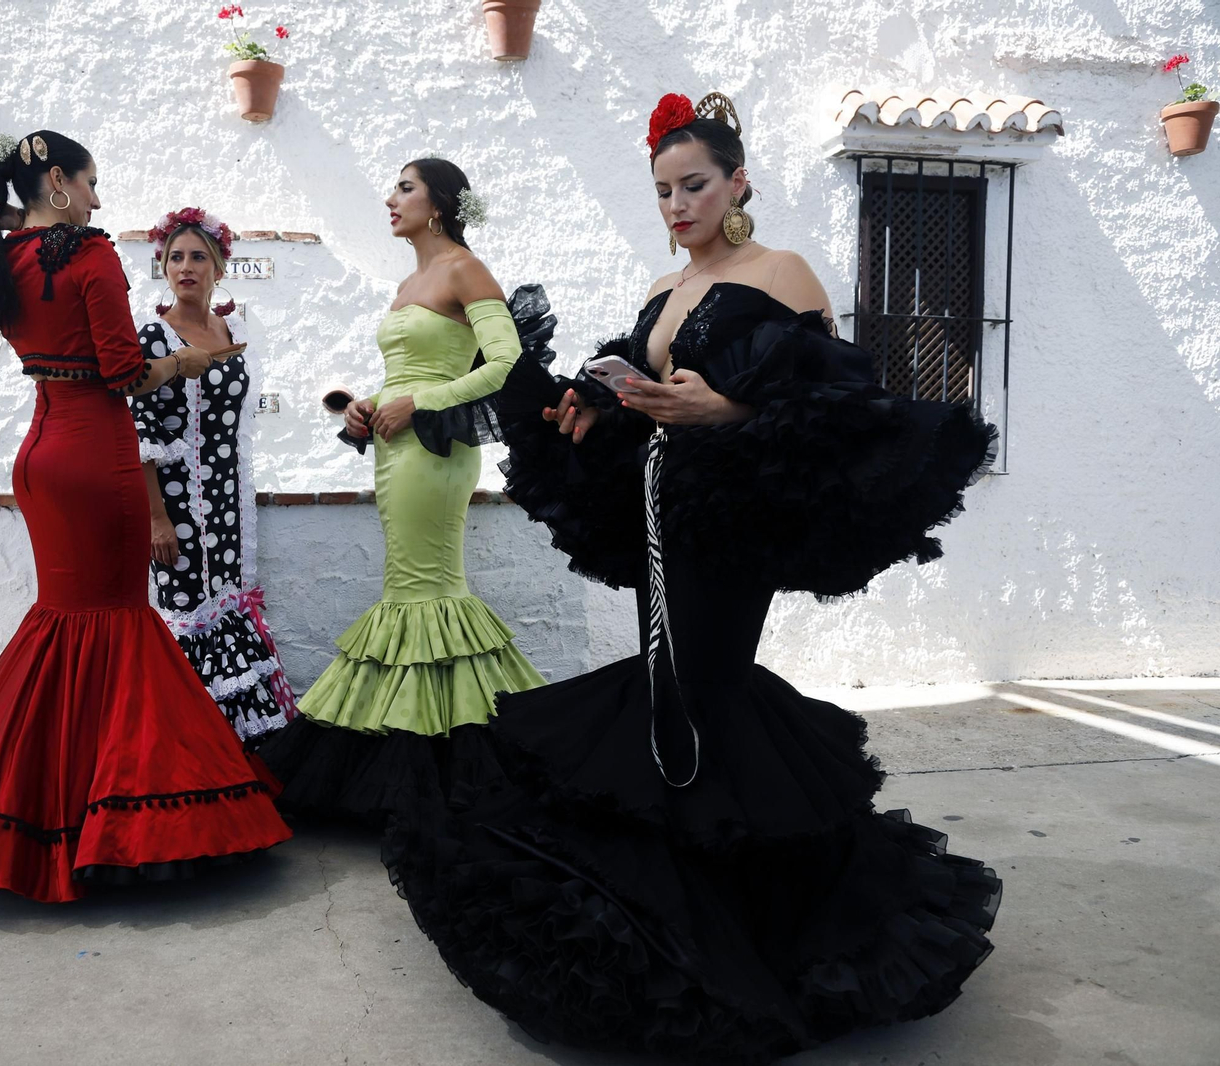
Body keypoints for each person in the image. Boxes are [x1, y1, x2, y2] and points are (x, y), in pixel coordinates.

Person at [381, 95, 1001, 1060]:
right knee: (673, 693)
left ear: (738, 181)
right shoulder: (667, 288)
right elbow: (655, 396)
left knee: (698, 696)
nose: (677, 204)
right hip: (662, 511)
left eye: (695, 185)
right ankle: (670, 914)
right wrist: (603, 406)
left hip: (730, 523)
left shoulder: (781, 273)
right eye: (664, 190)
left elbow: (838, 404)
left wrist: (734, 414)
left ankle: (740, 941)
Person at [0, 131, 289, 903]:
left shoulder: (1, 255)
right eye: (93, 183)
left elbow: (46, 299)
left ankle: (41, 812)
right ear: (61, 183)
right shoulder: (91, 254)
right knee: (117, 622)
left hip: (40, 458)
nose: (101, 201)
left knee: (63, 623)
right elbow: (124, 372)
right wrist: (184, 364)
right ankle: (120, 819)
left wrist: (12, 224)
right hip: (96, 454)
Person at [256, 158, 546, 822]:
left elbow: (505, 364)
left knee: (428, 591)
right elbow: (411, 368)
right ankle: (422, 760)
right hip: (393, 452)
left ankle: (454, 769)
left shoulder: (463, 269)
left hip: (435, 456)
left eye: (405, 188)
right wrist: (369, 404)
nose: (391, 199)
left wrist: (418, 401)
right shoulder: (411, 280)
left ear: (439, 203)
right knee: (411, 590)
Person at [129, 206, 299, 746]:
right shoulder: (153, 339)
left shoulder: (234, 330)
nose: (185, 266)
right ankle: (189, 747)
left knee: (226, 606)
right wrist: (157, 518)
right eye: (175, 257)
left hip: (226, 504)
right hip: (174, 508)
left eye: (198, 256)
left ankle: (237, 748)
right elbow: (141, 430)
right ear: (163, 266)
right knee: (185, 614)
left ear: (220, 266)